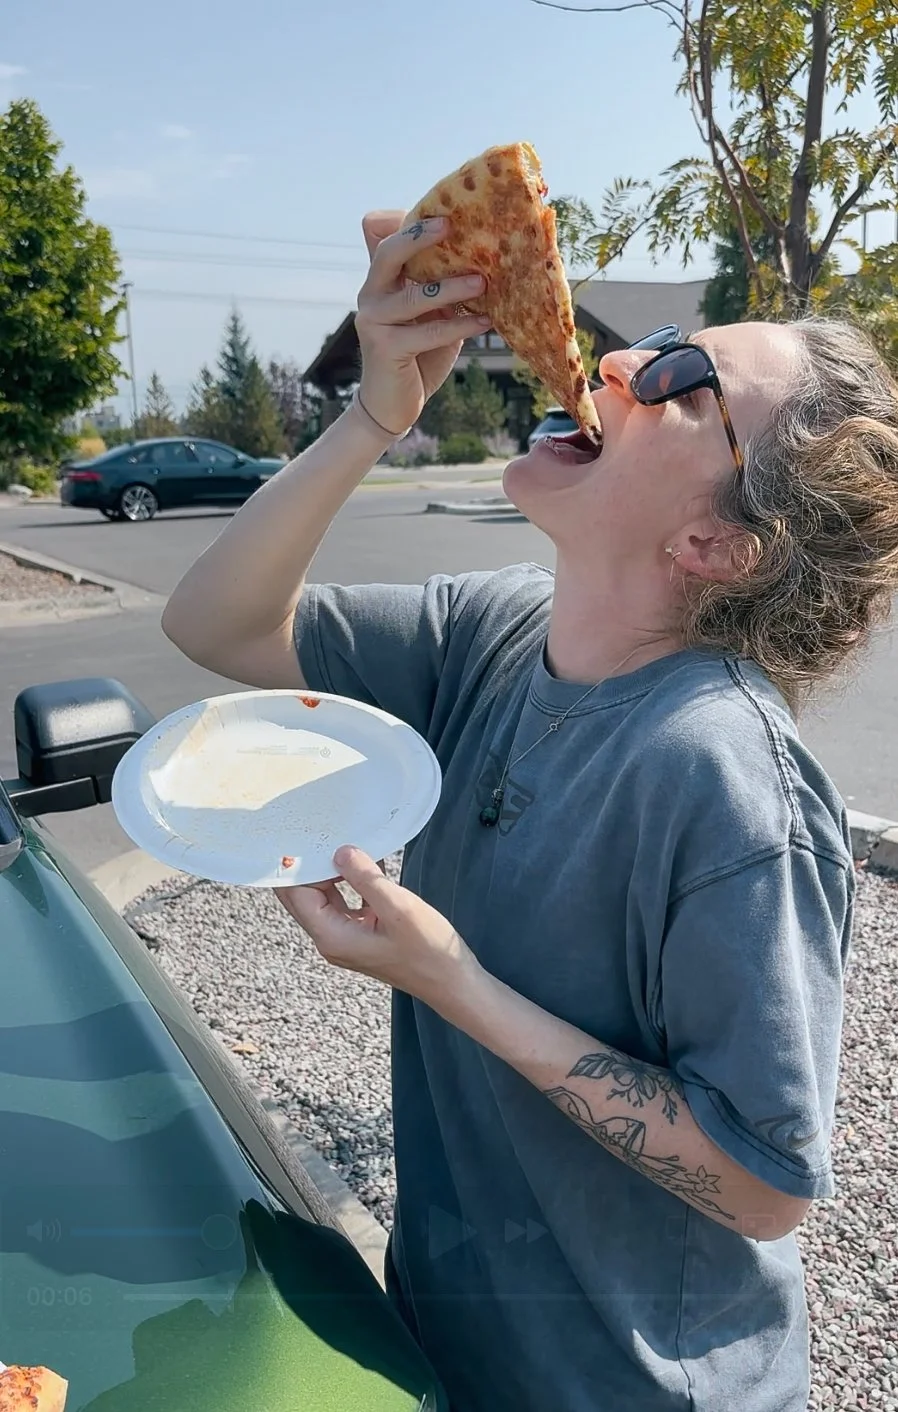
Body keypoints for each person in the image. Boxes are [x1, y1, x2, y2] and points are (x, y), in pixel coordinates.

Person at [162, 210, 898, 1412]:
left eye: (678, 378)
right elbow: (215, 626)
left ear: (716, 540)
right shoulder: (492, 630)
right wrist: (373, 412)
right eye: (653, 339)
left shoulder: (723, 774)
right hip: (453, 1338)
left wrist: (449, 978)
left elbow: (767, 1182)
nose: (615, 361)